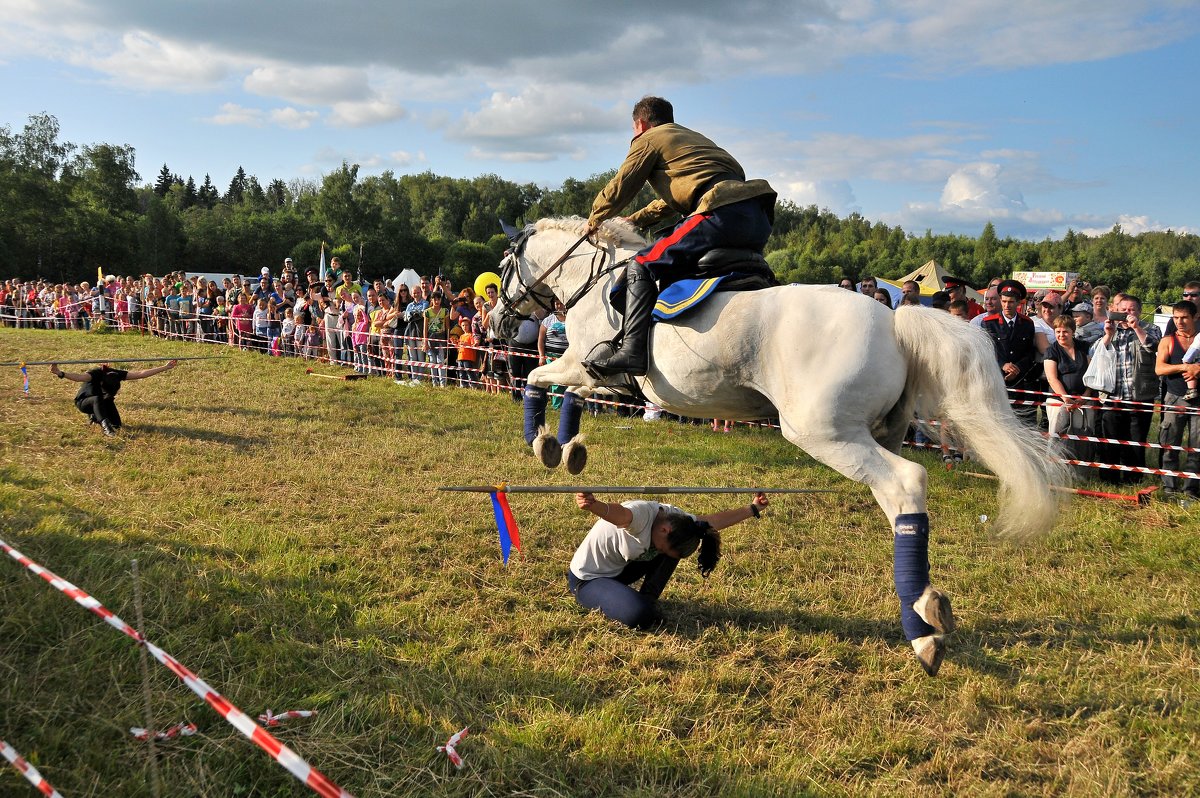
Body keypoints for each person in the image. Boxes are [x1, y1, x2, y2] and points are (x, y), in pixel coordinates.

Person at [582, 95, 776, 376]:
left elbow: (623, 184)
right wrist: (635, 219)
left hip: (719, 213)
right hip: (755, 219)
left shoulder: (650, 138)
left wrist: (595, 218)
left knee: (642, 264)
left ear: (640, 123)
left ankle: (632, 352)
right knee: (672, 262)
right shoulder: (694, 142)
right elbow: (674, 198)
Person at [567, 491, 769, 629]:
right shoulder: (640, 515)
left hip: (621, 571)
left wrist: (752, 509)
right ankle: (638, 605)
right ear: (664, 530)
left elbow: (711, 522)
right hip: (588, 579)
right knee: (641, 617)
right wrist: (594, 506)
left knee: (671, 554)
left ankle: (647, 598)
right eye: (662, 545)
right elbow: (621, 514)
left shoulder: (679, 521)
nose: (659, 550)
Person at [1091, 294, 1162, 484]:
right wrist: (1108, 335)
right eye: (1123, 310)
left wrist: (1136, 328)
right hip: (1112, 396)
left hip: (1140, 395)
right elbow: (1093, 354)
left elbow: (1154, 347)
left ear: (1139, 312)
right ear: (1115, 311)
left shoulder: (1151, 328)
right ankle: (1109, 479)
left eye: (1131, 310)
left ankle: (1133, 479)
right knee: (1110, 440)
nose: (1127, 314)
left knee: (1136, 441)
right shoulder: (1108, 329)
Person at [49, 360, 179, 436]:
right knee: (97, 399)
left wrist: (165, 367)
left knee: (117, 425)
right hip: (85, 402)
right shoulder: (96, 374)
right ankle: (106, 427)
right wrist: (60, 373)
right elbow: (78, 377)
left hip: (103, 401)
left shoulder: (116, 374)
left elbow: (141, 374)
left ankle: (98, 418)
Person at [1155, 301, 1200, 499]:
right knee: (1170, 444)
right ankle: (1169, 488)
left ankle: (1190, 489)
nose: (1179, 322)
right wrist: (1185, 368)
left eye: (1184, 318)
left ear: (1195, 318)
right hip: (1175, 397)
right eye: (1176, 317)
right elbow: (1160, 369)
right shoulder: (1168, 340)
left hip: (1198, 400)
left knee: (1197, 447)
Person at [979, 280, 1038, 424]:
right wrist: (1002, 364)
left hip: (1020, 380)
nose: (1007, 305)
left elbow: (1030, 352)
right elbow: (986, 350)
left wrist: (1018, 367)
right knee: (998, 419)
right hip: (997, 378)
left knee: (1023, 420)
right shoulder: (988, 323)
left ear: (1018, 303)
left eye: (1011, 302)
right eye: (1004, 301)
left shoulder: (1027, 323)